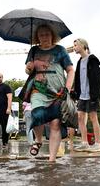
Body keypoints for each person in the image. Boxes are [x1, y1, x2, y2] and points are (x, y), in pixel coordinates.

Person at [24, 24, 74, 162]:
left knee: (55, 123)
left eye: (47, 34)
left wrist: (67, 88)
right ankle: (38, 140)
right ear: (37, 37)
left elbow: (70, 70)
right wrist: (29, 68)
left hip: (58, 92)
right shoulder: (33, 50)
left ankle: (52, 159)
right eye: (41, 35)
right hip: (39, 88)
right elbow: (28, 70)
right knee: (36, 113)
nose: (44, 37)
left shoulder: (60, 50)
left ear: (52, 35)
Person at [72, 38, 100, 152]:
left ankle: (97, 144)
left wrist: (95, 95)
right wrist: (76, 92)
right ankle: (84, 142)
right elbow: (78, 79)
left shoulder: (92, 60)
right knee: (80, 118)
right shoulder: (80, 61)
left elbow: (98, 78)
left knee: (93, 118)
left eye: (76, 45)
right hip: (82, 95)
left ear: (82, 45)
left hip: (91, 95)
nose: (74, 47)